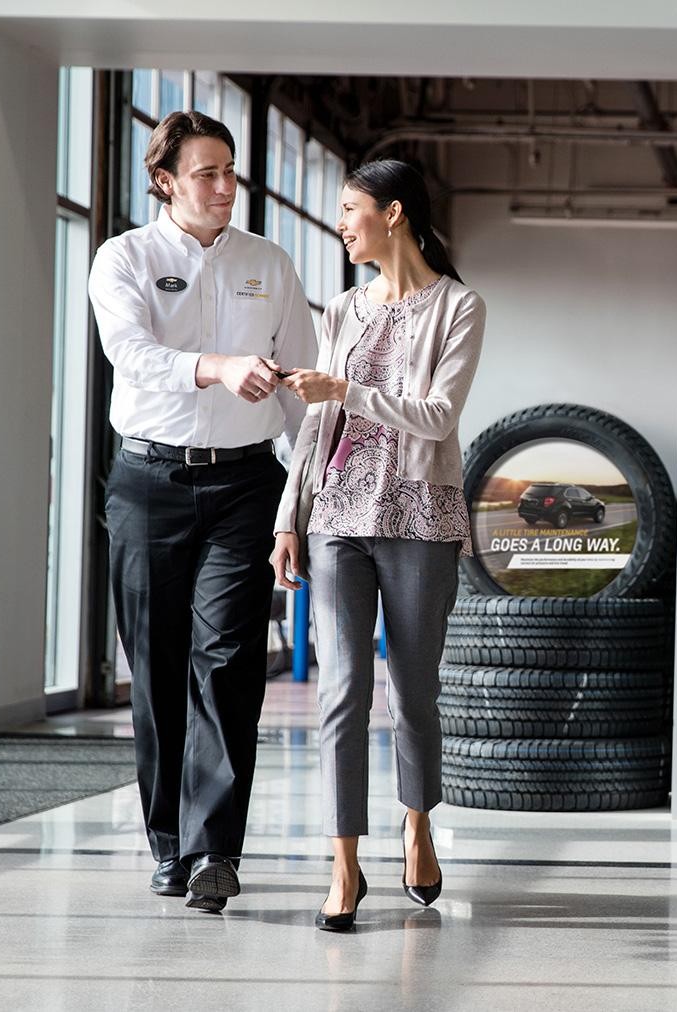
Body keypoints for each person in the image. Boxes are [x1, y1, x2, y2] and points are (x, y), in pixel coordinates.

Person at [88, 111, 316, 913]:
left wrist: (305, 497)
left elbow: (303, 394)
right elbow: (133, 357)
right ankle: (167, 845)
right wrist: (216, 367)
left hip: (247, 488)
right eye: (207, 175)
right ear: (165, 182)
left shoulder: (269, 263)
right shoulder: (124, 259)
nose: (225, 188)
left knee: (226, 664)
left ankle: (215, 848)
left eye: (231, 172)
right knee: (155, 667)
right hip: (148, 481)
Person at [269, 159, 486, 931]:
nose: (341, 222)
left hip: (421, 519)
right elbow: (318, 428)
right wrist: (287, 520)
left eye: (351, 209)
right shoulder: (343, 311)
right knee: (341, 693)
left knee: (414, 692)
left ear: (393, 214)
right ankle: (344, 866)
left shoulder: (458, 308)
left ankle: (418, 823)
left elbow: (435, 416)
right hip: (336, 519)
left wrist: (346, 391)